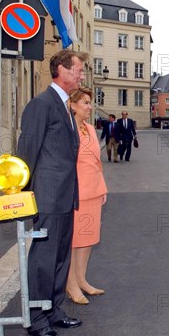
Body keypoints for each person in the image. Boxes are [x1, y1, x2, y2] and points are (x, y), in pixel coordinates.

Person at [16, 49, 88, 336]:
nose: (81, 75)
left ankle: (54, 310)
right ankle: (36, 318)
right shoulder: (41, 104)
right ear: (61, 70)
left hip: (64, 196)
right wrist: (20, 197)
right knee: (43, 260)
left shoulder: (64, 106)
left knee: (59, 258)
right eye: (78, 70)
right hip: (46, 197)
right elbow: (27, 152)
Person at [66, 87, 108, 305]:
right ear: (73, 105)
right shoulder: (66, 128)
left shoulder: (90, 129)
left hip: (93, 190)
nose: (90, 107)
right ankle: (71, 283)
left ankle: (82, 280)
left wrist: (102, 188)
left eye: (90, 103)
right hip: (76, 193)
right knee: (74, 241)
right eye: (85, 103)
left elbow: (96, 162)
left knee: (88, 239)